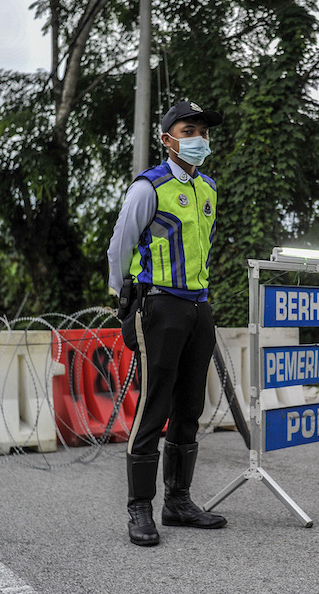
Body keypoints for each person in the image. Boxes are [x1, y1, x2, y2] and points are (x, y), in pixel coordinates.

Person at [106, 100, 227, 547]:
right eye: (189, 130)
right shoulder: (148, 187)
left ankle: (178, 501)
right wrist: (125, 296)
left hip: (198, 307)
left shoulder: (209, 188)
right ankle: (140, 508)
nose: (199, 138)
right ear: (167, 139)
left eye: (204, 132)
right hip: (159, 305)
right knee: (155, 405)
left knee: (190, 405)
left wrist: (203, 303)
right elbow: (119, 248)